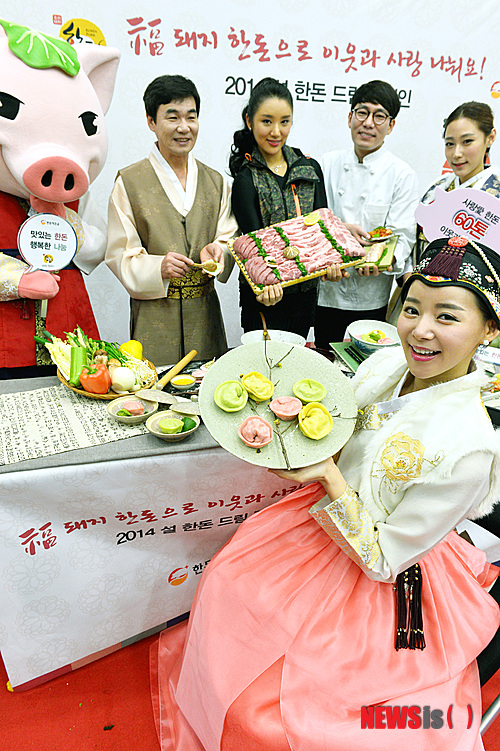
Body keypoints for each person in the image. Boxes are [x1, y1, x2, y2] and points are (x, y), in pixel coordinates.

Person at [152, 235, 500, 750]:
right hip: (317, 524)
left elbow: (383, 561)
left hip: (383, 568)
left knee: (305, 714)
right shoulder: (384, 366)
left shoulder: (469, 444)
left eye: (447, 316)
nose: (421, 332)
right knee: (227, 585)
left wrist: (327, 477)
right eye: (411, 309)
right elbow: (335, 436)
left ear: (489, 329)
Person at [105, 75, 238, 366]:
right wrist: (157, 267)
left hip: (205, 315)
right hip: (154, 318)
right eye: (172, 117)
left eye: (191, 117)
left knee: (210, 397)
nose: (184, 127)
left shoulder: (217, 182)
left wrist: (220, 251)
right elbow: (119, 254)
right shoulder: (129, 182)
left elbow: (229, 238)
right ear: (151, 121)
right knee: (155, 398)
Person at [315, 80, 420, 348]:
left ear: (391, 125)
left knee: (366, 368)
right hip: (326, 289)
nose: (368, 123)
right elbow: (314, 220)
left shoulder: (401, 174)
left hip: (371, 296)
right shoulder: (325, 164)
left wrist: (384, 259)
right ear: (350, 117)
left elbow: (402, 236)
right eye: (362, 112)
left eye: (379, 115)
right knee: (324, 357)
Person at [229, 77, 335, 340]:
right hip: (265, 298)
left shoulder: (309, 168)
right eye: (267, 121)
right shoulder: (246, 178)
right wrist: (265, 284)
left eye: (284, 121)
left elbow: (322, 229)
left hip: (305, 295)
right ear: (249, 120)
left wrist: (331, 263)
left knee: (297, 361)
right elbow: (254, 247)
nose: (276, 131)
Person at [417, 101, 499, 262]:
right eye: (450, 144)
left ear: (490, 138)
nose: (456, 153)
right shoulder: (437, 188)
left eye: (467, 141)